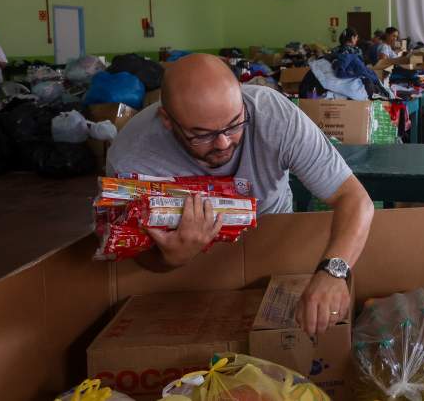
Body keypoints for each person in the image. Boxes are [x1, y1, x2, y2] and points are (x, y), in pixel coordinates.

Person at [107, 54, 374, 335]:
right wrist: (169, 259)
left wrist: (334, 271)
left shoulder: (273, 116)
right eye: (202, 135)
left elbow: (354, 198)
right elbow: (133, 255)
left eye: (234, 124)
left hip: (272, 240)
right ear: (167, 121)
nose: (223, 143)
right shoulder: (132, 159)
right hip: (191, 274)